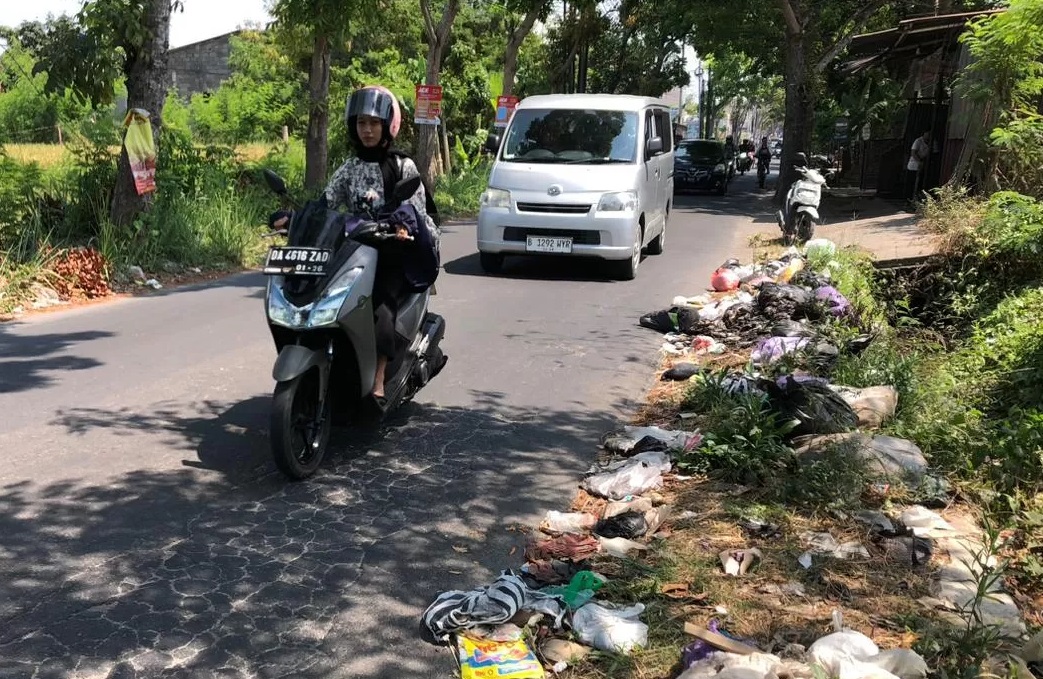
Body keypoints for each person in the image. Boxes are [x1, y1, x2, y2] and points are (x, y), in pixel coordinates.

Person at [271, 85, 440, 403]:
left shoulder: (402, 167)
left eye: (374, 123)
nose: (367, 130)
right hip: (355, 249)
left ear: (388, 125)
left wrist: (401, 226)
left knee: (380, 305)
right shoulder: (349, 168)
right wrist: (295, 218)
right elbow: (325, 204)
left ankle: (377, 378)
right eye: (362, 123)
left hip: (391, 252)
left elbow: (416, 212)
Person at [906, 130, 931, 203]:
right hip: (914, 164)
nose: (928, 136)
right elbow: (913, 153)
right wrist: (919, 161)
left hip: (924, 164)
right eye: (927, 134)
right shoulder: (918, 141)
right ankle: (909, 199)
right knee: (912, 182)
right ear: (924, 134)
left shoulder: (931, 142)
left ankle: (918, 199)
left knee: (920, 183)